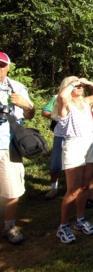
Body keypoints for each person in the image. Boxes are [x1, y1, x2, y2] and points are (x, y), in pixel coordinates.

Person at [51, 76, 93, 243]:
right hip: (74, 145)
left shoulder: (86, 102)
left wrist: (88, 82)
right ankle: (63, 226)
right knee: (73, 190)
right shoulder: (65, 104)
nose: (79, 86)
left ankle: (80, 219)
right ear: (67, 87)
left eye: (80, 84)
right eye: (75, 84)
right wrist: (73, 83)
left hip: (90, 144)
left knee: (84, 186)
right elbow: (62, 96)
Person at [0, 52, 36, 244]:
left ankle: (9, 227)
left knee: (11, 190)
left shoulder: (17, 88)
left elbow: (31, 114)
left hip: (8, 145)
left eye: (1, 65)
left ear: (8, 67)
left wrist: (25, 104)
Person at [41, 95, 64, 200]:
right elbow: (45, 111)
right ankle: (53, 188)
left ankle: (73, 188)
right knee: (56, 162)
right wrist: (57, 117)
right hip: (60, 135)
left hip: (76, 136)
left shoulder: (81, 98)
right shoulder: (56, 97)